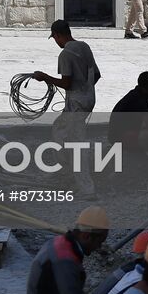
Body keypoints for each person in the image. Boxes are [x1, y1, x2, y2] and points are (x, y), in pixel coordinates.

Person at [35, 20, 101, 193]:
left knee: (76, 142)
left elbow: (66, 83)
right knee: (59, 129)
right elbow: (97, 74)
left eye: (55, 38)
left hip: (76, 103)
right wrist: (86, 89)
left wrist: (45, 77)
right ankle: (67, 171)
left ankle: (87, 188)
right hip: (88, 99)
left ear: (57, 35)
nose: (56, 41)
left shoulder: (65, 55)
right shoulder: (84, 46)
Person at [25, 206, 110, 294]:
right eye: (99, 242)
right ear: (87, 236)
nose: (99, 247)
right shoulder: (65, 260)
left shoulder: (62, 242)